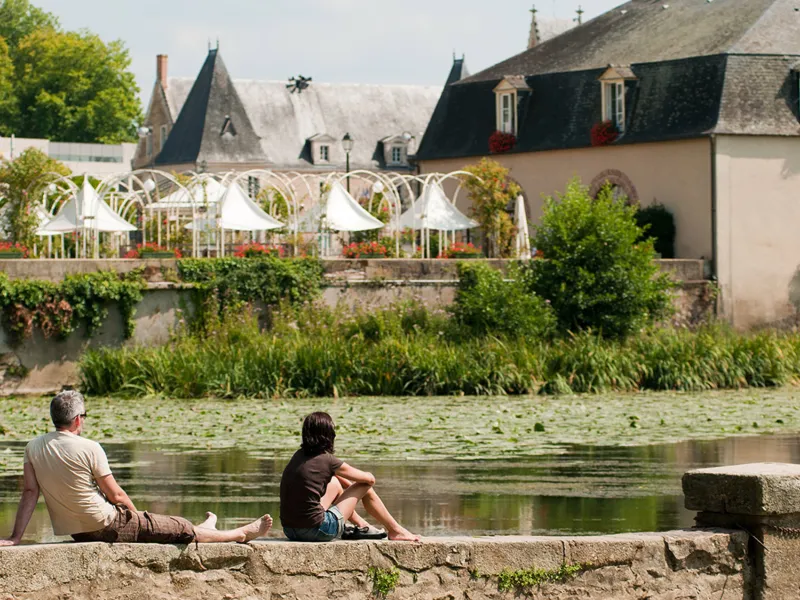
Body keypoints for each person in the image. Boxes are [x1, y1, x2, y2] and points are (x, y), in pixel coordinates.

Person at [1, 390, 272, 546]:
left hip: (77, 529)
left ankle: (205, 527)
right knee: (175, 525)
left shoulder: (33, 447)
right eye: (83, 416)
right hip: (105, 524)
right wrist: (139, 520)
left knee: (170, 527)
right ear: (77, 420)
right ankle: (240, 533)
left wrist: (15, 537)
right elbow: (117, 496)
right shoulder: (89, 447)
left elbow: (29, 493)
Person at [280, 411, 419, 542]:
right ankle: (395, 530)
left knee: (334, 483)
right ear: (328, 435)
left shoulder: (298, 455)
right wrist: (365, 479)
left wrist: (348, 490)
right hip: (318, 531)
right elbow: (369, 480)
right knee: (366, 486)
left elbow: (335, 477)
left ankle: (363, 526)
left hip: (290, 530)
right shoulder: (327, 460)